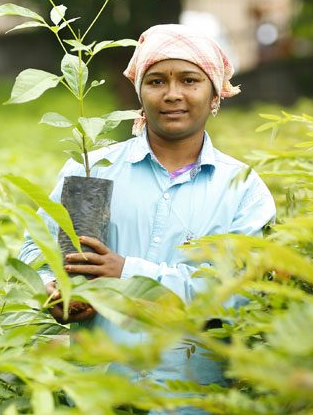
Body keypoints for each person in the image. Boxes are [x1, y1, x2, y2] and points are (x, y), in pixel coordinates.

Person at [18, 23, 276, 390]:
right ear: (139, 92)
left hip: (193, 401)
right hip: (98, 395)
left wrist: (127, 274)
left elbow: (237, 296)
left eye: (189, 80)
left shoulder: (242, 189)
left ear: (216, 94)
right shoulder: (94, 170)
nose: (172, 94)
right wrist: (53, 289)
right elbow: (36, 253)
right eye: (156, 81)